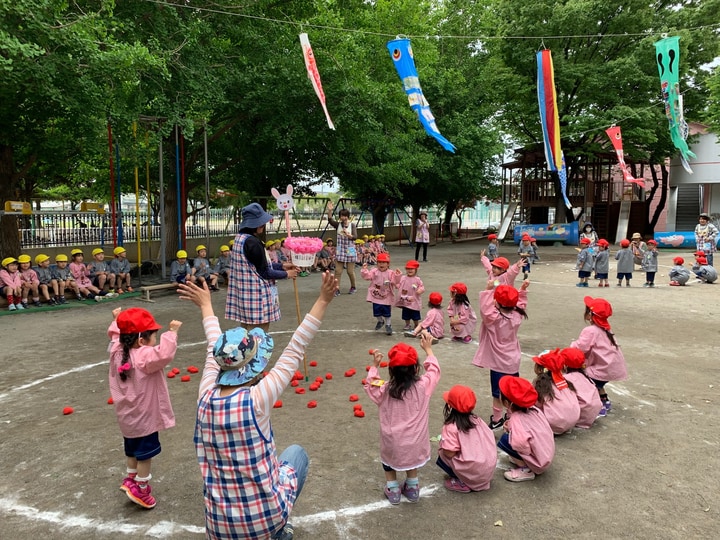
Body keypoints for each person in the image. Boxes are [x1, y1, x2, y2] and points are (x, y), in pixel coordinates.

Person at [176, 271, 338, 540]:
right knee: (296, 454)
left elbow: (211, 350)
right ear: (254, 365)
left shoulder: (205, 395)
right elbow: (296, 347)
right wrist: (323, 300)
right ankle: (277, 532)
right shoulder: (257, 399)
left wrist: (206, 306)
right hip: (264, 519)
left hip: (219, 528)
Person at [108, 307, 181, 509]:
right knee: (144, 455)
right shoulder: (144, 356)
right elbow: (164, 354)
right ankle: (141, 488)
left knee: (131, 451)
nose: (156, 339)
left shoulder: (117, 350)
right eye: (154, 335)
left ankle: (130, 479)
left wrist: (117, 320)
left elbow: (116, 335)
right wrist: (172, 333)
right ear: (141, 340)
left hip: (127, 418)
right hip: (145, 418)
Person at [364, 337, 441, 504]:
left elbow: (370, 384)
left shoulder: (385, 389)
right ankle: (412, 488)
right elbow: (434, 371)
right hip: (416, 442)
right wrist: (428, 350)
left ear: (391, 370)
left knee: (389, 460)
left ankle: (393, 489)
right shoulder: (423, 386)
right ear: (415, 368)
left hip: (393, 441)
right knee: (410, 457)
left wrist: (374, 366)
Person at [226, 202, 298, 333]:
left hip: (244, 296)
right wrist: (287, 274)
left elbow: (257, 264)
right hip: (256, 296)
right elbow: (265, 271)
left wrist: (282, 266)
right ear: (257, 224)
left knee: (245, 335)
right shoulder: (253, 242)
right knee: (258, 336)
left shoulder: (239, 239)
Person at [472, 281, 530, 430]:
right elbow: (521, 304)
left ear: (497, 303)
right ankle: (510, 417)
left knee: (497, 394)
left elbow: (485, 310)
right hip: (513, 361)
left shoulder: (494, 319)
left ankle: (497, 419)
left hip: (498, 363)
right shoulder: (517, 316)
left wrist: (488, 289)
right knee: (511, 393)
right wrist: (522, 291)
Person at [570, 296, 628, 417]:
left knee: (584, 379)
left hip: (602, 369)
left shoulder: (591, 330)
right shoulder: (606, 329)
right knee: (598, 384)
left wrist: (571, 346)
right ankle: (604, 400)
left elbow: (580, 348)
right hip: (611, 367)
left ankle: (596, 406)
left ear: (590, 315)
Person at [436, 385, 497, 493]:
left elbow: (449, 453)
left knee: (442, 451)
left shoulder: (451, 426)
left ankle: (463, 482)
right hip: (486, 471)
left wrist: (442, 443)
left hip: (473, 473)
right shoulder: (477, 420)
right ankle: (472, 479)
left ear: (450, 406)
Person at [497, 376, 555, 482]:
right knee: (513, 438)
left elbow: (520, 444)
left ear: (506, 403)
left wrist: (511, 431)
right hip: (545, 454)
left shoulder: (516, 419)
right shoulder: (534, 409)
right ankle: (524, 460)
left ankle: (526, 469)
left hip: (539, 462)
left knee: (505, 440)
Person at [531, 349, 581, 435]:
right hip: (572, 421)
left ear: (540, 368)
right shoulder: (565, 381)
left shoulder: (540, 385)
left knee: (527, 409)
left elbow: (534, 403)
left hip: (554, 424)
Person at [560, 347, 603, 429]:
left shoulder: (566, 378)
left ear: (564, 365)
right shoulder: (586, 376)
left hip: (580, 416)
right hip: (592, 414)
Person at [326, 201, 358, 295]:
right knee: (338, 271)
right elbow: (330, 220)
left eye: (345, 216)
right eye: (341, 216)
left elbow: (355, 237)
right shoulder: (338, 225)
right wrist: (330, 211)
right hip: (340, 250)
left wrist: (350, 236)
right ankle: (336, 289)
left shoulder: (352, 225)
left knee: (350, 271)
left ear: (348, 216)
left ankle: (353, 287)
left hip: (350, 249)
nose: (343, 218)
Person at [361, 252, 395, 335]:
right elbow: (367, 277)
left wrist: (397, 276)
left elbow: (395, 281)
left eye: (383, 262)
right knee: (376, 312)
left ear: (388, 264)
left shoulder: (390, 273)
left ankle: (388, 325)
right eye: (379, 262)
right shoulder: (374, 271)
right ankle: (380, 321)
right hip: (376, 294)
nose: (381, 264)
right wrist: (365, 270)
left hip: (386, 295)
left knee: (387, 312)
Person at [392, 260, 425, 332]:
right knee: (406, 314)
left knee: (415, 315)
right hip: (405, 299)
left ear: (415, 270)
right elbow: (398, 284)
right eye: (408, 269)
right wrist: (397, 277)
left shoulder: (417, 279)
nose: (410, 270)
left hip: (414, 300)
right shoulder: (403, 278)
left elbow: (422, 287)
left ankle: (416, 324)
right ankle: (407, 324)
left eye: (412, 269)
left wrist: (420, 290)